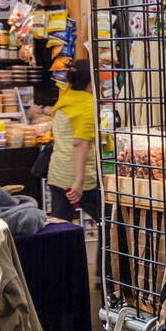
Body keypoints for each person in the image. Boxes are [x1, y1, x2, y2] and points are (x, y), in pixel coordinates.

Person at [47, 59, 100, 227]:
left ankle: (62, 254)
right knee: (108, 222)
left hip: (57, 174)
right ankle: (107, 254)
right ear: (91, 81)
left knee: (60, 228)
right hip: (77, 179)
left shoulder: (65, 99)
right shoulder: (86, 105)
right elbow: (80, 143)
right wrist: (78, 181)